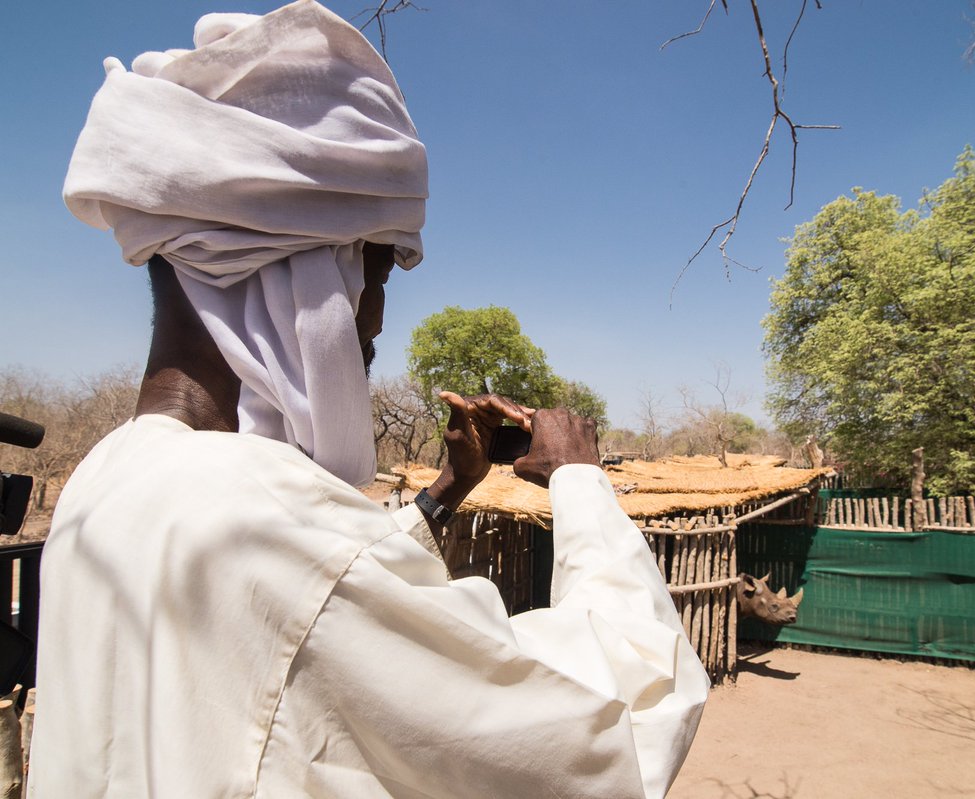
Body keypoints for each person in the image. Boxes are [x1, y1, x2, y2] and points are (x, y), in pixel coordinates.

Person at [28, 3, 707, 797]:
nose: (376, 318)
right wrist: (582, 481)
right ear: (300, 271)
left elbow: (314, 621)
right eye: (374, 276)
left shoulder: (106, 481)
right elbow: (611, 729)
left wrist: (450, 489)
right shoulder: (264, 528)